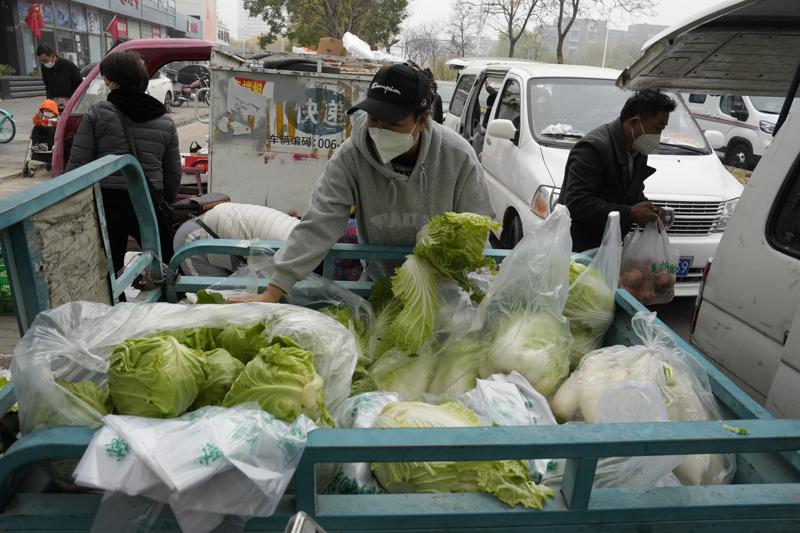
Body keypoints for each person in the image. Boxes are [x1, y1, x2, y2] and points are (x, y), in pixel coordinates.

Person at [230, 63, 494, 303]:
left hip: (442, 293)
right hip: (379, 287)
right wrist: (273, 291)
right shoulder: (351, 156)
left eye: (394, 123)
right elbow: (319, 223)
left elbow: (476, 231)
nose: (380, 130)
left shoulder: (457, 156)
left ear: (422, 121)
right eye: (375, 119)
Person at [66, 51, 181, 273]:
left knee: (109, 269)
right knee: (162, 264)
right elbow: (173, 173)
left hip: (108, 201)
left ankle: (116, 305)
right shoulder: (165, 120)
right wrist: (165, 200)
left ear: (110, 80)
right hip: (149, 198)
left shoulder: (98, 113)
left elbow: (78, 165)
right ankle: (165, 303)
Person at [559, 90, 676, 252]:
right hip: (576, 249)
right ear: (634, 122)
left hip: (609, 246)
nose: (659, 136)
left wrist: (650, 210)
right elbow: (577, 203)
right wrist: (629, 214)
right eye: (658, 128)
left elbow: (631, 193)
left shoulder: (638, 150)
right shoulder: (593, 148)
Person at [173, 203, 300, 277]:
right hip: (194, 238)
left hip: (220, 227)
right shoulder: (295, 248)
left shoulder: (303, 234)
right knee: (217, 300)